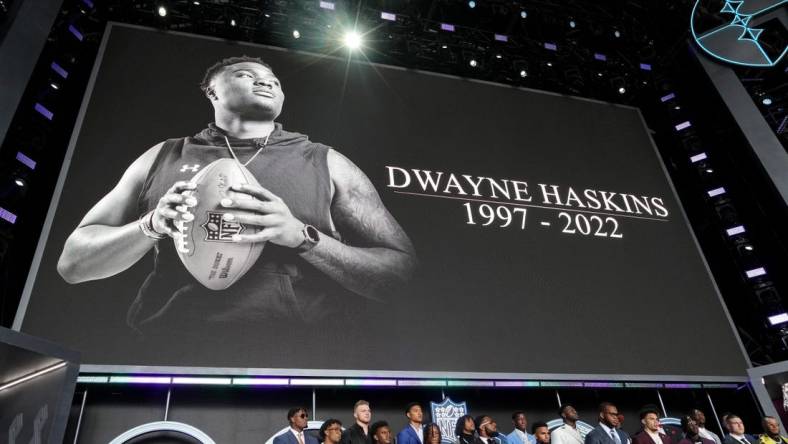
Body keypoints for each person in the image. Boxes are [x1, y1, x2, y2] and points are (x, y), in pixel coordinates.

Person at [57, 55, 417, 335]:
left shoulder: (325, 161)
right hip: (167, 349)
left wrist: (303, 238)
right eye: (246, 74)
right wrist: (149, 225)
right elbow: (72, 264)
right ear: (211, 91)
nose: (266, 81)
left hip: (298, 354)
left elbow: (403, 274)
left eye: (274, 80)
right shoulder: (164, 155)